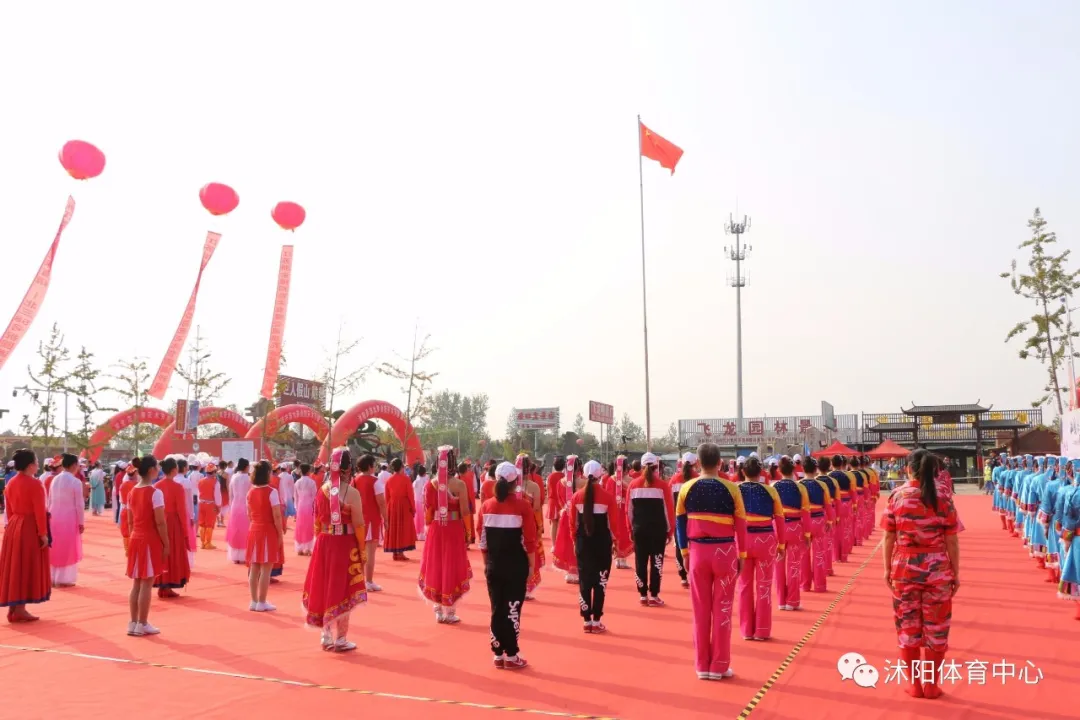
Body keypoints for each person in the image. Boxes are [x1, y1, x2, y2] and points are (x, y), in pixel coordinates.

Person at [882, 449, 961, 699]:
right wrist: (955, 573)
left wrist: (887, 569)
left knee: (908, 626)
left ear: (908, 468)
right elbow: (952, 540)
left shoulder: (898, 496)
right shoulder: (944, 498)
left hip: (904, 568)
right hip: (937, 568)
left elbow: (888, 536)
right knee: (937, 628)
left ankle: (914, 684)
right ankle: (932, 685)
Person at [675, 442, 747, 680]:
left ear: (697, 462)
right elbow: (741, 526)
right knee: (723, 608)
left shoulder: (687, 488)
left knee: (700, 610)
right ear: (720, 463)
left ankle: (701, 666)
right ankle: (719, 665)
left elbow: (680, 525)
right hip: (724, 552)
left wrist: (685, 553)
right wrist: (742, 555)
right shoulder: (732, 489)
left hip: (697, 553)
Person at [302, 447, 368, 651]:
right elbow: (359, 525)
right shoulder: (352, 493)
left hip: (324, 542)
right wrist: (362, 550)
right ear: (349, 468)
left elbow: (317, 520)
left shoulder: (322, 490)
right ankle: (341, 638)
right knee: (344, 588)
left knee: (325, 585)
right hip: (345, 543)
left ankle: (326, 635)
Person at [477, 461, 535, 669]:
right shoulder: (523, 506)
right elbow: (529, 540)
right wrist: (531, 566)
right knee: (512, 608)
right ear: (515, 482)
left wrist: (487, 564)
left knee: (496, 608)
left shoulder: (486, 506)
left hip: (493, 565)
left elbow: (482, 540)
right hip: (515, 565)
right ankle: (511, 654)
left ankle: (498, 652)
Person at [419, 446, 473, 623]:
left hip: (436, 528)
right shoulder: (459, 485)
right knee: (452, 564)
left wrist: (430, 526)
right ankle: (449, 610)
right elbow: (465, 511)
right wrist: (469, 533)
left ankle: (437, 609)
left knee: (437, 564)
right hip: (454, 527)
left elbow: (428, 510)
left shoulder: (430, 484)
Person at [736, 456, 785, 640]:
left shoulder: (735, 490)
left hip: (742, 541)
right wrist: (781, 544)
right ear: (761, 472)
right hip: (766, 540)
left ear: (742, 471)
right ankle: (762, 630)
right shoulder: (771, 491)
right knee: (764, 586)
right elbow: (779, 519)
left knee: (744, 586)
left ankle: (747, 630)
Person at [0, 449, 51, 622]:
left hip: (14, 525)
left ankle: (14, 608)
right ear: (30, 465)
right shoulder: (35, 484)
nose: (38, 464)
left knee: (15, 565)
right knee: (26, 565)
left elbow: (10, 509)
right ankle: (19, 609)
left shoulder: (11, 483)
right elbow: (39, 512)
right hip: (28, 527)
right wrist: (43, 534)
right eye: (36, 461)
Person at [126, 455, 168, 636]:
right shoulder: (155, 493)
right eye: (157, 467)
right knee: (146, 583)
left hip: (136, 538)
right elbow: (160, 522)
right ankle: (142, 623)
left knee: (137, 582)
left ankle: (134, 622)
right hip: (149, 540)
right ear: (151, 470)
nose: (159, 470)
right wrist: (166, 543)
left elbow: (129, 521)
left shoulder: (132, 491)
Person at [572, 460, 615, 634]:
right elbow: (613, 525)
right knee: (600, 582)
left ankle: (586, 620)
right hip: (602, 544)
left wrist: (575, 542)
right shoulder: (607, 497)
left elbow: (572, 524)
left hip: (583, 543)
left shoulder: (576, 496)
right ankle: (596, 620)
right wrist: (616, 543)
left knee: (584, 581)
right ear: (600, 475)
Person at [627, 452, 675, 607]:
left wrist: (631, 530)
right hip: (658, 530)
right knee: (657, 562)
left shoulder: (633, 485)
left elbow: (629, 511)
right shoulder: (662, 486)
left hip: (639, 529)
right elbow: (668, 510)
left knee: (640, 562)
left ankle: (642, 595)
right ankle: (654, 595)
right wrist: (670, 531)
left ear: (641, 467)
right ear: (656, 466)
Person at [773, 456, 810, 611]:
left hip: (777, 527)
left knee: (778, 564)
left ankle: (781, 600)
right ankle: (792, 601)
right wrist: (807, 535)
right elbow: (806, 512)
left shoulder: (773, 486)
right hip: (795, 527)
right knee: (794, 565)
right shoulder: (800, 487)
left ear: (779, 470)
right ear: (794, 469)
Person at [246, 460, 284, 612]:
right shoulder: (271, 492)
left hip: (254, 529)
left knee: (254, 567)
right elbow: (277, 516)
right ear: (267, 473)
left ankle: (254, 600)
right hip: (267, 531)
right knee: (266, 568)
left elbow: (249, 513)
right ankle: (261, 601)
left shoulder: (250, 492)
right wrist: (279, 533)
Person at [153, 458, 191, 599]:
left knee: (162, 552)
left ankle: (162, 583)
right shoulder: (178, 487)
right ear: (174, 470)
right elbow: (182, 510)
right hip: (174, 523)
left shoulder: (156, 485)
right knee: (173, 552)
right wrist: (186, 532)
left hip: (160, 520)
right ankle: (168, 584)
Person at [48, 454, 85, 588]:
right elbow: (79, 504)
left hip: (54, 516)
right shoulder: (75, 482)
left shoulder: (55, 479)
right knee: (68, 547)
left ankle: (53, 576)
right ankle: (64, 578)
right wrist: (81, 522)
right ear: (74, 465)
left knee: (56, 546)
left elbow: (49, 500)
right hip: (69, 517)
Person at [352, 454, 387, 593]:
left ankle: (359, 580)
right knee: (370, 552)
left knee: (359, 551)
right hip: (371, 520)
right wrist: (386, 519)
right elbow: (382, 503)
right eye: (374, 464)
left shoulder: (354, 480)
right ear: (370, 466)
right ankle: (368, 581)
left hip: (357, 519)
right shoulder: (375, 481)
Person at [799, 456, 832, 593]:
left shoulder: (799, 484)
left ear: (803, 468)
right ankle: (820, 585)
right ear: (816, 469)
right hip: (818, 520)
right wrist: (830, 520)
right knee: (819, 554)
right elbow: (828, 505)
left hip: (803, 522)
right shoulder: (822, 485)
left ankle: (805, 585)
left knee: (803, 554)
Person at [516, 455, 546, 600]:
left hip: (513, 525)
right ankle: (527, 588)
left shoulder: (510, 485)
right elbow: (537, 509)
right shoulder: (533, 486)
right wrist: (539, 526)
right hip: (529, 526)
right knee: (529, 554)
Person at [552, 456, 584, 584]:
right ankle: (577, 570)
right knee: (577, 541)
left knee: (567, 541)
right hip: (578, 514)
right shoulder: (582, 482)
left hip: (565, 514)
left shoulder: (560, 482)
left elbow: (560, 500)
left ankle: (569, 572)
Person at [671, 453, 698, 588]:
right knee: (695, 547)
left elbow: (671, 501)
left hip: (678, 518)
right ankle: (693, 573)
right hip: (695, 519)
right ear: (695, 463)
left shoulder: (674, 479)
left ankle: (682, 576)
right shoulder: (698, 479)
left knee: (680, 546)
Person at [603, 457, 634, 570]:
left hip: (613, 511)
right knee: (625, 533)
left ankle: (617, 559)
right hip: (625, 511)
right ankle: (623, 560)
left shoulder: (610, 479)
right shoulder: (630, 480)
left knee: (616, 533)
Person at [383, 458, 417, 561]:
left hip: (392, 506)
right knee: (402, 528)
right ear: (401, 467)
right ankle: (400, 552)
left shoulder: (389, 480)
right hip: (404, 505)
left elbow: (387, 497)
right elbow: (410, 495)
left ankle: (395, 552)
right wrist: (413, 508)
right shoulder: (406, 479)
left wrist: (387, 509)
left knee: (394, 528)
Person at [225, 459, 252, 564]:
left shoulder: (234, 477)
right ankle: (245, 555)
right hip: (246, 506)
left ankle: (235, 555)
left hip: (235, 506)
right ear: (246, 467)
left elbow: (230, 494)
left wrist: (230, 506)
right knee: (245, 530)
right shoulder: (248, 478)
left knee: (236, 530)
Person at [293, 464, 318, 556]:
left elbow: (295, 497)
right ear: (308, 471)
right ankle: (308, 548)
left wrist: (296, 507)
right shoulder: (312, 482)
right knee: (309, 527)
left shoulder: (297, 482)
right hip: (309, 507)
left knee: (300, 527)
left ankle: (299, 548)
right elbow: (315, 497)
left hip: (300, 506)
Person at [197, 461, 222, 550]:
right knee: (209, 524)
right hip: (210, 505)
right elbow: (217, 495)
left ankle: (202, 543)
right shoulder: (215, 482)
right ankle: (208, 543)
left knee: (202, 523)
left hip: (201, 504)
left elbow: (198, 492)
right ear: (214, 472)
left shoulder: (201, 481)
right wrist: (219, 506)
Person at [545, 456, 567, 544]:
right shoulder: (565, 476)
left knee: (554, 523)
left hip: (552, 501)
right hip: (561, 501)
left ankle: (554, 544)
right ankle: (559, 543)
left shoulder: (550, 476)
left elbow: (547, 488)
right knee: (561, 523)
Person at [412, 464, 429, 541]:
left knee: (418, 517)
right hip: (423, 501)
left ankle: (418, 533)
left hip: (417, 501)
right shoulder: (426, 480)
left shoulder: (416, 481)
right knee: (423, 517)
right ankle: (422, 533)